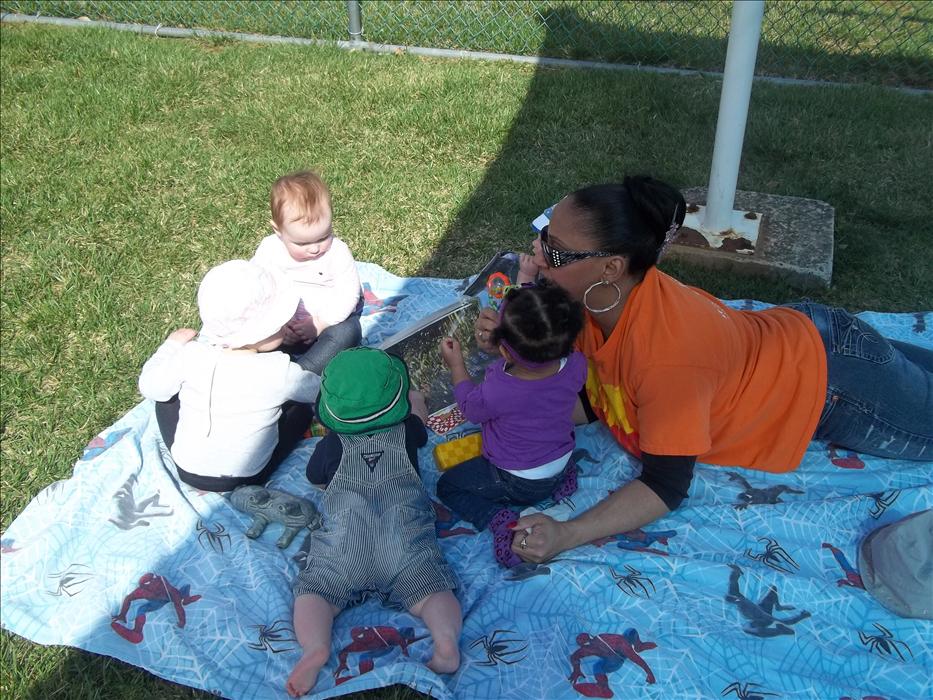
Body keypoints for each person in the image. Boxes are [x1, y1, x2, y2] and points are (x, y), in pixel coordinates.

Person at [472, 175, 933, 564]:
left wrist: (567, 533)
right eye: (542, 233)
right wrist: (510, 351)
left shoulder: (666, 360)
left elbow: (664, 485)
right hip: (811, 335)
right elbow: (598, 395)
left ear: (611, 267)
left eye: (554, 251)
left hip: (836, 385)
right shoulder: (602, 300)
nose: (536, 252)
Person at [287, 348, 461, 696]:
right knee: (432, 593)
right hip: (404, 543)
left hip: (345, 548)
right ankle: (445, 644)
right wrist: (416, 402)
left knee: (315, 592)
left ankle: (315, 650)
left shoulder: (331, 445)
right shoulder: (409, 430)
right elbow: (419, 418)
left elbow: (315, 478)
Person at [437, 282, 587, 568]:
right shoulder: (577, 363)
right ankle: (562, 479)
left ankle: (497, 518)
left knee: (448, 486)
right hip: (560, 458)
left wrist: (456, 364)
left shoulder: (500, 388)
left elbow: (470, 408)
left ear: (503, 351)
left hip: (517, 480)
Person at [139, 260, 321, 492]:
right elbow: (320, 392)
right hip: (250, 475)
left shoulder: (191, 355)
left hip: (187, 469)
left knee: (165, 396)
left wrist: (171, 345)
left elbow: (150, 386)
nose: (286, 325)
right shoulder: (279, 370)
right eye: (280, 324)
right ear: (263, 330)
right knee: (300, 408)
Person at [253, 170, 362, 375]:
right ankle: (261, 372)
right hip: (281, 329)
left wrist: (320, 323)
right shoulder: (269, 251)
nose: (314, 249)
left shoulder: (337, 252)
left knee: (349, 331)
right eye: (302, 243)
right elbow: (258, 288)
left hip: (324, 326)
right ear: (278, 231)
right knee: (248, 328)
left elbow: (348, 294)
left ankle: (300, 375)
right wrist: (279, 327)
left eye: (323, 237)